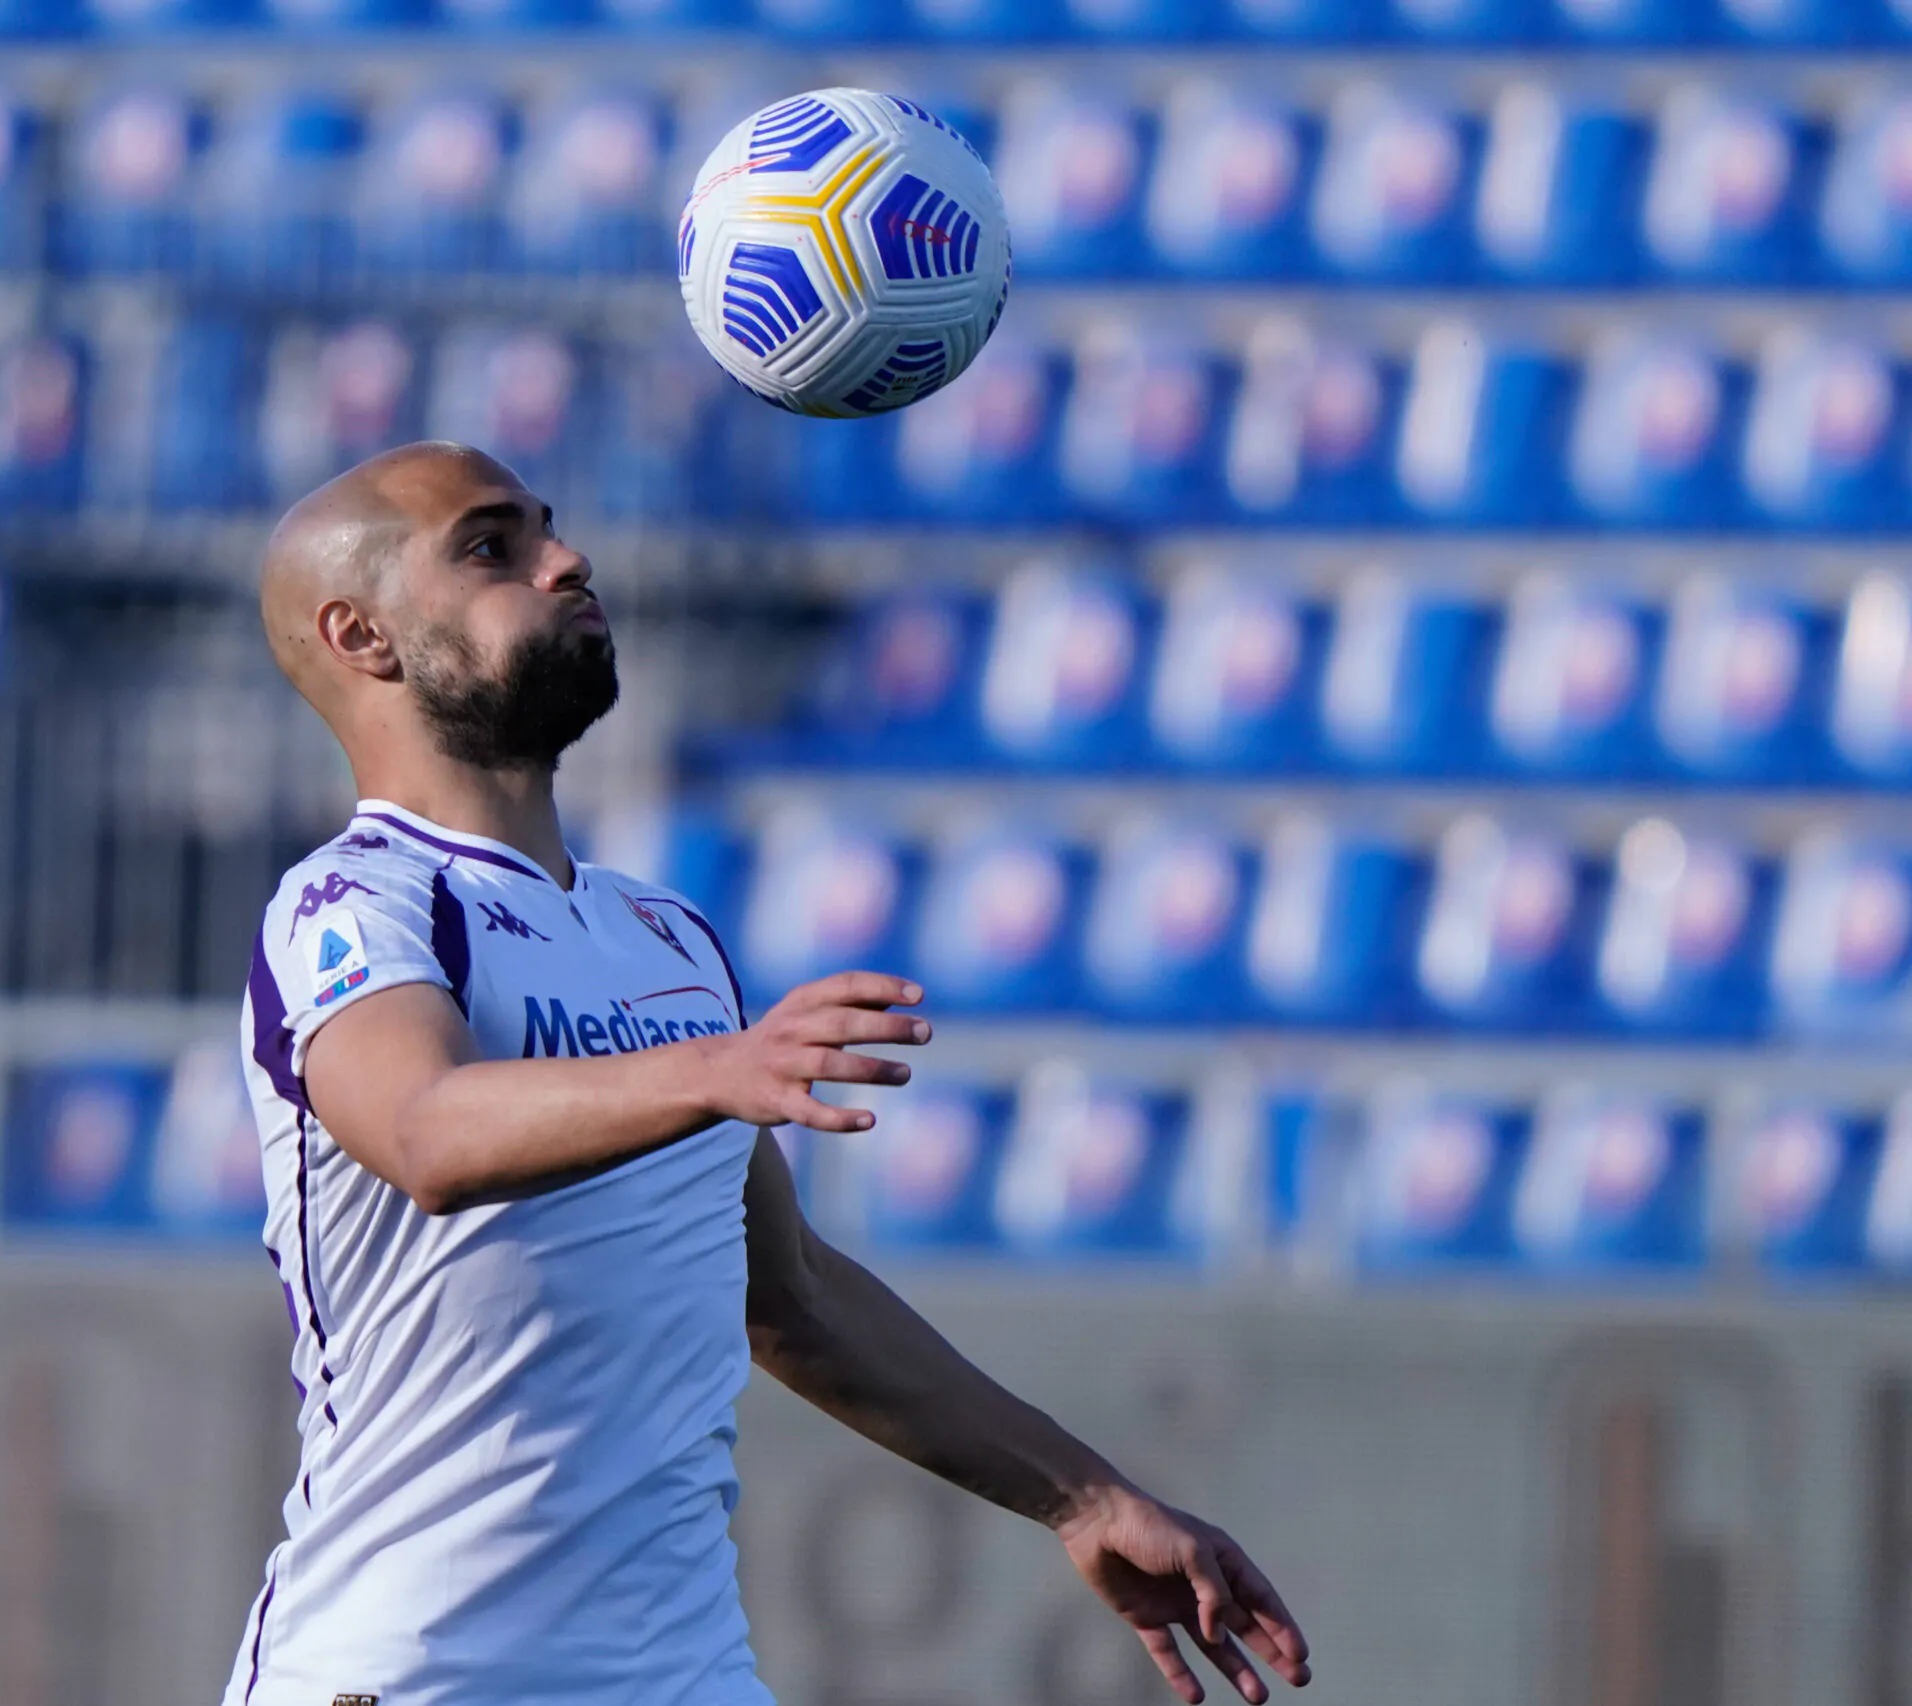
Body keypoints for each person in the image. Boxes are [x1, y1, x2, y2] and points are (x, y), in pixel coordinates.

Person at [228, 440, 1312, 1706]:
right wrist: (713, 1067)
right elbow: (423, 1130)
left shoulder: (665, 938)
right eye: (490, 546)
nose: (563, 560)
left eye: (547, 528)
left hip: (683, 1678)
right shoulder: (352, 901)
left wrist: (1080, 1496)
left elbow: (786, 1297)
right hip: (411, 1677)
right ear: (361, 635)